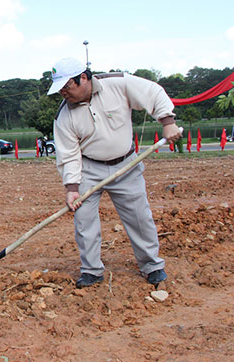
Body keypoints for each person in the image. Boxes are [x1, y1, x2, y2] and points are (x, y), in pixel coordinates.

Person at [48, 57, 181, 288]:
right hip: (89, 169)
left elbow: (154, 92)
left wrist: (167, 121)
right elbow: (68, 155)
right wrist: (71, 188)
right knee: (84, 220)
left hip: (126, 165)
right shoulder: (64, 116)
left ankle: (152, 265)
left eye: (66, 86)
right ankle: (91, 270)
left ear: (83, 78)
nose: (63, 93)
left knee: (140, 217)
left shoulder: (118, 84)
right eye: (59, 89)